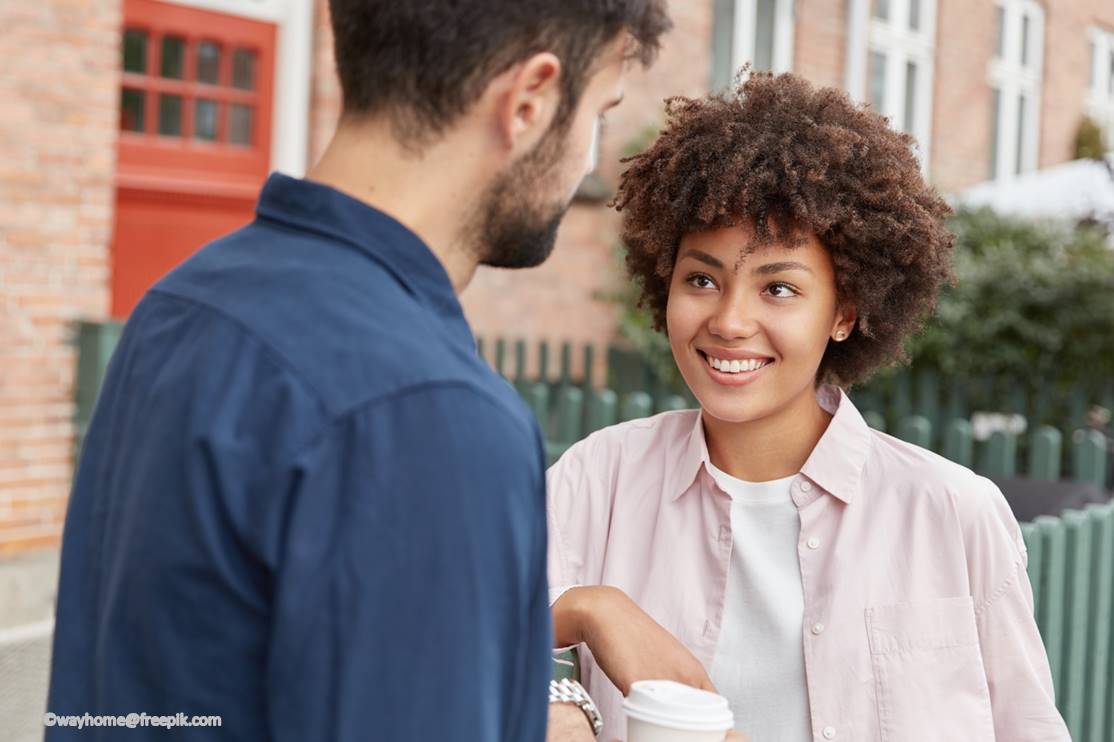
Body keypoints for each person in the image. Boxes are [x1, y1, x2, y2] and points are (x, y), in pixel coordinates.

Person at [46, 1, 670, 739]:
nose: (587, 164)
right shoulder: (431, 413)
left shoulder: (179, 303)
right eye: (598, 114)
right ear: (529, 101)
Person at [547, 71, 1071, 742]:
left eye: (780, 289)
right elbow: (465, 639)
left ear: (845, 311)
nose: (730, 321)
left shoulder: (953, 515)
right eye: (702, 279)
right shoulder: (598, 481)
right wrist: (594, 612)